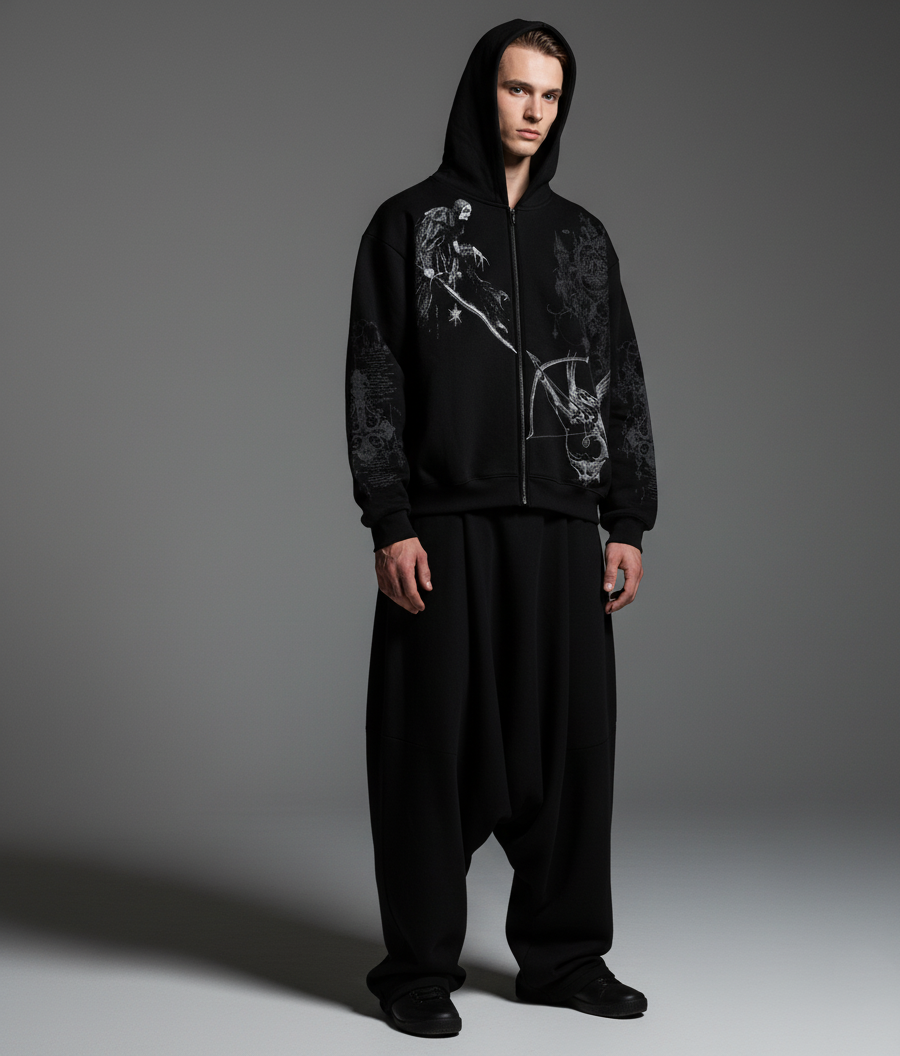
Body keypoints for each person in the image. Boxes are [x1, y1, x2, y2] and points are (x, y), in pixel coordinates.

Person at [344, 18, 657, 1038]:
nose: (533, 111)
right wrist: (389, 518)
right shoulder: (408, 225)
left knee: (570, 752)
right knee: (428, 749)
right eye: (517, 89)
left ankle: (564, 958)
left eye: (550, 96)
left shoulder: (583, 240)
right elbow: (376, 376)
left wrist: (627, 519)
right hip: (443, 526)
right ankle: (417, 969)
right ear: (482, 92)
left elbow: (619, 379)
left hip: (563, 530)